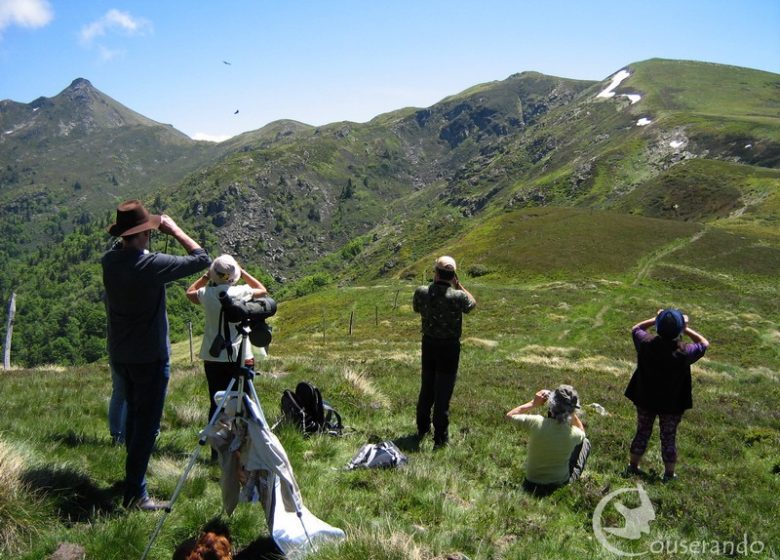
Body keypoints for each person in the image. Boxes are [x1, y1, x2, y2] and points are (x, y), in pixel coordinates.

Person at [102, 199, 211, 510]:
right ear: (144, 235)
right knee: (147, 425)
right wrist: (174, 229)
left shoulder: (110, 262)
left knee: (134, 417)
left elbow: (127, 253)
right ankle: (136, 495)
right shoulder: (150, 266)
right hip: (149, 356)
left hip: (121, 353)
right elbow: (202, 258)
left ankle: (133, 479)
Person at [624, 308, 709, 481]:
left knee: (642, 431)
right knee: (668, 437)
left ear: (658, 327)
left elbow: (636, 329)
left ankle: (633, 466)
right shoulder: (684, 351)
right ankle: (669, 474)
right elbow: (704, 343)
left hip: (645, 398)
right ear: (678, 330)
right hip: (672, 403)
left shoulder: (646, 343)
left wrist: (655, 319)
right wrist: (685, 328)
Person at [186, 254, 268, 429]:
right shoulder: (241, 292)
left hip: (213, 356)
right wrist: (242, 272)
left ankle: (217, 449)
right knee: (243, 401)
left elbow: (189, 293)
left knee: (216, 402)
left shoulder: (206, 294)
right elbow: (262, 290)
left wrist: (206, 276)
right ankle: (243, 447)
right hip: (240, 355)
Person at [412, 255, 476, 448]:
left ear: (436, 273)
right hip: (449, 348)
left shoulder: (422, 292)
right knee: (443, 392)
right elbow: (472, 304)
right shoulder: (458, 296)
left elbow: (416, 308)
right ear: (453, 275)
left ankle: (423, 429)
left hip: (429, 345)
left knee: (427, 388)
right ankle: (440, 438)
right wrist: (459, 286)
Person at [506, 385, 590, 494]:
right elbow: (582, 431)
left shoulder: (536, 423)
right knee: (585, 442)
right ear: (573, 409)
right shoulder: (575, 434)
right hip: (559, 484)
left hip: (530, 482)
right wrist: (571, 412)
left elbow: (509, 416)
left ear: (551, 405)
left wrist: (533, 403)